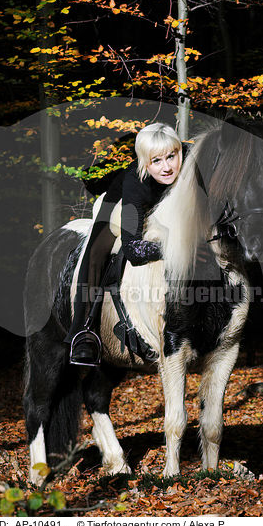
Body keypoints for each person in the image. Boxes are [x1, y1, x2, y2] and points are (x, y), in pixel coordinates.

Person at [66, 122, 185, 365]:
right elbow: (133, 250)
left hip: (168, 206)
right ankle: (83, 330)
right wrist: (177, 249)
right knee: (97, 249)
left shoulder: (194, 161)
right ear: (145, 162)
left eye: (171, 157)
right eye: (156, 161)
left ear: (180, 151)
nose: (167, 168)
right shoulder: (135, 182)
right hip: (121, 204)